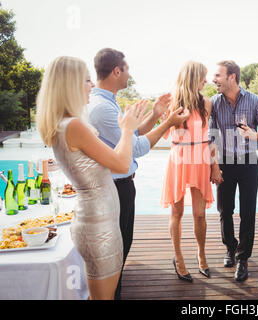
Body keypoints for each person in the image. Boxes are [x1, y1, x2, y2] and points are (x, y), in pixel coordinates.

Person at [36, 56, 147, 299]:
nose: (92, 85)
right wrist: (127, 129)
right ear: (70, 85)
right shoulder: (74, 125)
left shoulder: (64, 124)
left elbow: (111, 164)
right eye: (87, 80)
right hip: (99, 227)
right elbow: (121, 163)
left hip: (99, 220)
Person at [87, 48, 189, 299]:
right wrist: (168, 123)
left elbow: (133, 137)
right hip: (114, 189)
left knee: (121, 250)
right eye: (127, 68)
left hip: (122, 186)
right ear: (116, 71)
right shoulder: (103, 109)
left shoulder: (109, 103)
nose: (129, 74)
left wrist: (155, 114)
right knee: (115, 256)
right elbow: (139, 148)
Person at [209, 60, 258, 282]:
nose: (213, 80)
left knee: (248, 212)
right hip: (224, 164)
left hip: (249, 162)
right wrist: (213, 165)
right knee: (224, 210)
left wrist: (254, 135)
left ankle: (243, 258)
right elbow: (210, 136)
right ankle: (230, 248)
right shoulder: (214, 103)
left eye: (217, 75)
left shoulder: (255, 101)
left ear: (232, 77)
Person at [161, 61, 223, 282]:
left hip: (200, 158)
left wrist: (214, 165)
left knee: (199, 214)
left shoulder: (206, 103)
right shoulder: (171, 102)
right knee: (176, 213)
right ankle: (178, 258)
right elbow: (164, 132)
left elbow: (209, 137)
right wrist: (163, 117)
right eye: (202, 77)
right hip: (178, 159)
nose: (206, 81)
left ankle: (201, 254)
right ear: (192, 78)